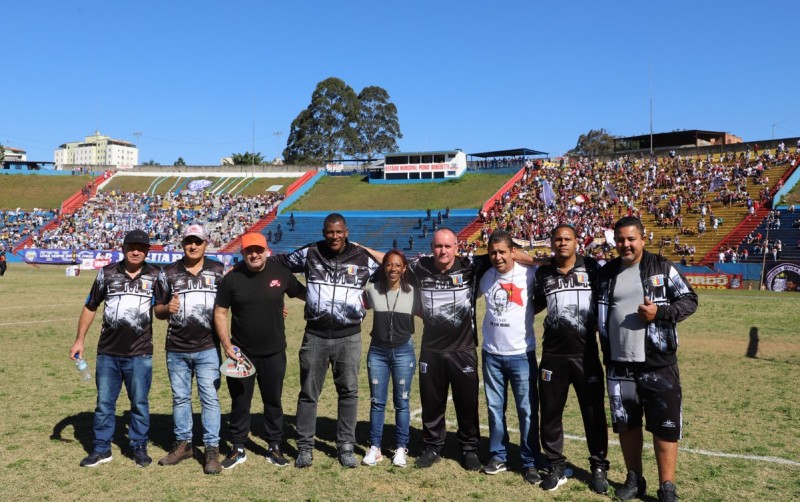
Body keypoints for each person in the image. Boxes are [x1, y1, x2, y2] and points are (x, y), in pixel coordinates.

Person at [597, 217, 698, 502]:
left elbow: (689, 299)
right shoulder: (606, 273)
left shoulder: (661, 267)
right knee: (626, 424)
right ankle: (634, 479)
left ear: (643, 238)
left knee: (665, 425)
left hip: (658, 363)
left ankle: (667, 487)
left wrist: (662, 313)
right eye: (620, 239)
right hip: (618, 364)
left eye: (631, 239)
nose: (625, 245)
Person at [274, 213, 379, 468]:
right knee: (309, 393)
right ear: (324, 232)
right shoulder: (311, 253)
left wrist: (367, 302)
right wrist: (291, 294)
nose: (334, 236)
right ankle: (305, 447)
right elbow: (278, 265)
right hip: (315, 336)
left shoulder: (362, 258)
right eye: (330, 232)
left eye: (339, 232)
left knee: (349, 393)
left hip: (350, 337)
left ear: (347, 232)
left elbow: (394, 267)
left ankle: (345, 446)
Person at [69, 229, 161, 468]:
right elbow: (91, 306)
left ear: (148, 251)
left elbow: (161, 310)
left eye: (141, 247)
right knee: (104, 404)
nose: (136, 251)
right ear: (123, 248)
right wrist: (79, 340)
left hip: (140, 353)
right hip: (108, 353)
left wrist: (168, 309)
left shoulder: (156, 275)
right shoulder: (107, 273)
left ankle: (138, 445)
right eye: (131, 246)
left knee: (139, 403)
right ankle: (101, 448)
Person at [213, 232, 305, 469]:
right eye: (248, 251)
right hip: (241, 354)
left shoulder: (281, 273)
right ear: (242, 253)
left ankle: (274, 446)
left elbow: (305, 294)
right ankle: (238, 448)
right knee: (240, 402)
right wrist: (227, 344)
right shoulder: (232, 279)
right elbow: (220, 312)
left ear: (267, 251)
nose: (254, 254)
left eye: (258, 250)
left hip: (274, 351)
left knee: (273, 401)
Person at [533, 225, 609, 493]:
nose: (563, 243)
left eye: (568, 239)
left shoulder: (593, 268)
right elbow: (536, 304)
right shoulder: (543, 273)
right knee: (551, 413)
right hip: (553, 356)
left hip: (586, 355)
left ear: (577, 242)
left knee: (593, 413)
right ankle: (555, 464)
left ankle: (599, 466)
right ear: (552, 242)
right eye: (558, 239)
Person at [153, 224, 225, 474]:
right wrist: (166, 310)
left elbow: (232, 306)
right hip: (177, 348)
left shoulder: (218, 270)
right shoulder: (168, 272)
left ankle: (212, 449)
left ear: (206, 243)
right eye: (188, 242)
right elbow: (158, 310)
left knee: (210, 398)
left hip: (208, 347)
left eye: (198, 241)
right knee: (180, 398)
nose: (193, 246)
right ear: (182, 244)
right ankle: (184, 444)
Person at [478, 230, 542, 484]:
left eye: (502, 251)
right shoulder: (484, 276)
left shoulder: (530, 275)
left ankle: (529, 461)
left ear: (512, 251)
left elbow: (542, 299)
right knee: (495, 409)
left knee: (526, 410)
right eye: (493, 252)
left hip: (521, 354)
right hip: (491, 353)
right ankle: (498, 456)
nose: (497, 257)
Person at [361, 250, 418, 468]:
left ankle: (401, 448)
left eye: (397, 265)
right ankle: (375, 448)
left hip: (404, 351)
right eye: (388, 265)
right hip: (378, 352)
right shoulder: (372, 290)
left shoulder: (414, 292)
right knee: (377, 402)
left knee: (402, 402)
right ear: (383, 268)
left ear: (404, 269)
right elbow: (358, 303)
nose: (392, 269)